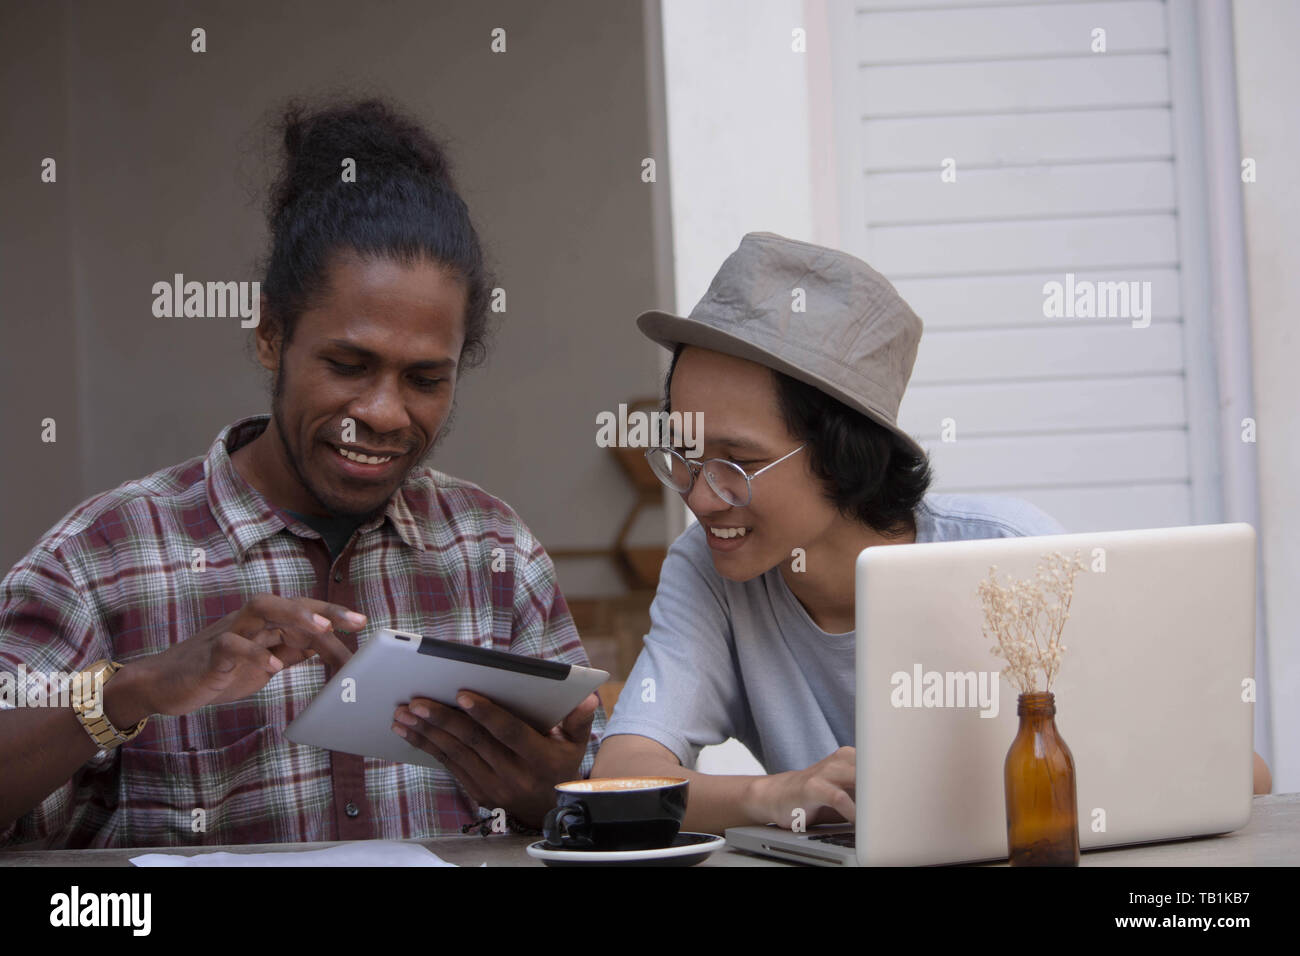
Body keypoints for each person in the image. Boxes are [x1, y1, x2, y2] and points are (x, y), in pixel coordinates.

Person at [0, 98, 604, 849]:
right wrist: (135, 690)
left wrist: (559, 801)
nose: (384, 413)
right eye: (348, 365)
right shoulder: (102, 556)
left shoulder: (494, 552)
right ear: (269, 336)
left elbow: (599, 802)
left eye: (424, 379)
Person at [592, 231, 1272, 834]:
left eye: (738, 463)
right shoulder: (707, 573)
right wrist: (774, 795)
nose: (702, 498)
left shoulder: (1010, 555)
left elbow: (1236, 773)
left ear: (842, 452)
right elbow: (622, 775)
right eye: (682, 455)